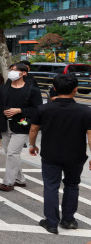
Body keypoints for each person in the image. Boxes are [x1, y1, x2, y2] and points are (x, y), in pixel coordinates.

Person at [28, 74, 91, 234]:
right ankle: (68, 220)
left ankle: (51, 222)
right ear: (75, 90)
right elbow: (90, 135)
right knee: (72, 185)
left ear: (54, 89)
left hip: (50, 154)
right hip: (75, 155)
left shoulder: (43, 108)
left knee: (51, 187)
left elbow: (34, 129)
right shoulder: (85, 111)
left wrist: (32, 145)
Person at [0, 63, 42, 192]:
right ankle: (20, 180)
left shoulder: (32, 90)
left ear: (24, 73)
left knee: (12, 152)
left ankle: (8, 182)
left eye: (15, 70)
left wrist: (19, 110)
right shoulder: (3, 89)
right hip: (4, 124)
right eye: (10, 70)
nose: (11, 72)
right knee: (10, 153)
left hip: (22, 125)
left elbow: (38, 109)